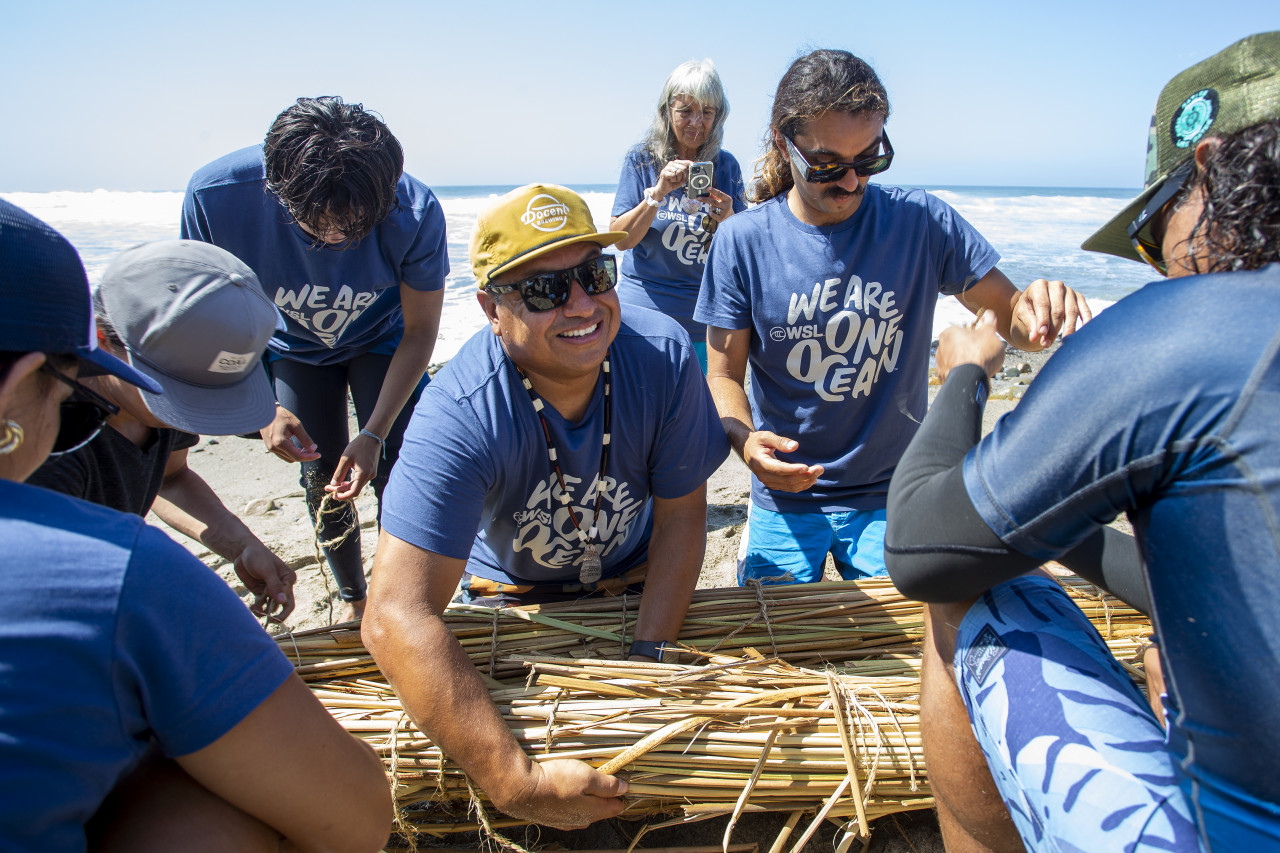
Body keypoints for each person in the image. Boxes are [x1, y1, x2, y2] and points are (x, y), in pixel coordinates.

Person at [883, 31, 1280, 851]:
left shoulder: (1184, 327)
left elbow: (921, 544)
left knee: (970, 596)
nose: (1155, 270)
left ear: (1205, 170)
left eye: (1151, 231)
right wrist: (1071, 506)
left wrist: (964, 372)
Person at [0, 198, 393, 851]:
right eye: (70, 399)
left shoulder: (154, 406)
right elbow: (354, 814)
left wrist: (240, 542)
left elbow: (172, 476)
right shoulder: (102, 554)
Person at [361, 184, 728, 828]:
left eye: (594, 273)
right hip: (512, 603)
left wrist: (648, 662)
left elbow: (682, 518)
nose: (583, 304)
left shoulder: (664, 355)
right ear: (491, 310)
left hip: (637, 586)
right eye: (544, 290)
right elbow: (394, 613)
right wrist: (514, 782)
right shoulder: (459, 412)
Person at [694, 48, 1091, 587]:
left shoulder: (922, 222)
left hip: (893, 491)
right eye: (828, 165)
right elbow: (722, 374)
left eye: (870, 160)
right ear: (783, 144)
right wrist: (745, 443)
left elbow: (1016, 322)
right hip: (783, 498)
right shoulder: (742, 242)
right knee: (772, 646)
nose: (853, 182)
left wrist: (1040, 308)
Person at [181, 95, 449, 620]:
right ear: (276, 190)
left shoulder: (414, 209)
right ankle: (354, 600)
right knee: (322, 470)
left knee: (399, 460)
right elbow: (206, 319)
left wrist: (372, 434)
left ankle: (403, 598)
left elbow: (420, 330)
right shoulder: (216, 197)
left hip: (384, 339)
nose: (335, 237)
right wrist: (261, 409)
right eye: (318, 223)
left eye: (356, 225)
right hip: (290, 347)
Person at [27, 240, 297, 621]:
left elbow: (170, 479)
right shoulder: (45, 445)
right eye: (180, 396)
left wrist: (241, 544)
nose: (190, 416)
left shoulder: (153, 387)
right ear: (102, 341)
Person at [610, 59, 746, 371]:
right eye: (685, 111)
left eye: (707, 112)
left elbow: (741, 253)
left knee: (695, 417)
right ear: (667, 111)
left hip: (702, 321)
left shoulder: (725, 167)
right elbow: (621, 240)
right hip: (642, 318)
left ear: (718, 116)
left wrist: (727, 218)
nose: (696, 122)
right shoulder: (642, 160)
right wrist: (656, 194)